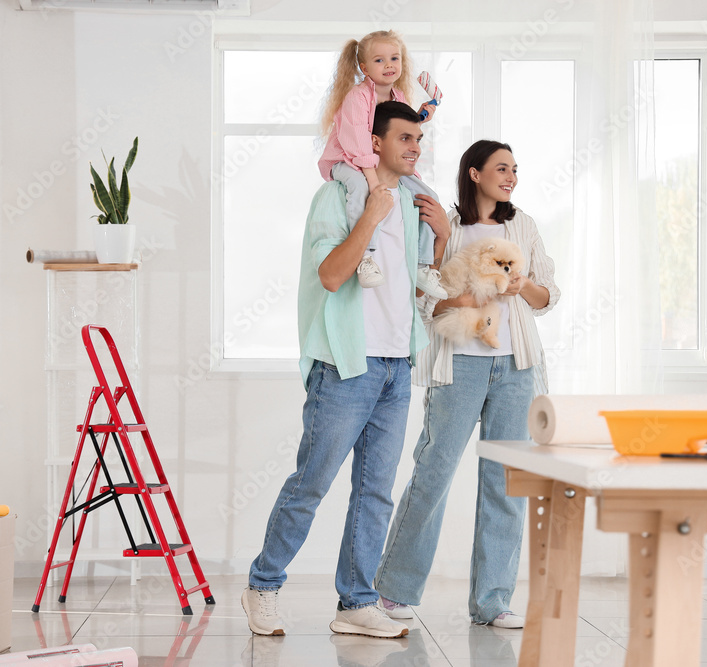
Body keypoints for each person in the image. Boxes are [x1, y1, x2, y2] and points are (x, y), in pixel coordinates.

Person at [240, 101, 449, 639]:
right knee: (312, 482)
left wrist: (444, 236)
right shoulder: (335, 198)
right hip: (344, 366)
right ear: (373, 141)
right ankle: (263, 584)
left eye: (419, 141)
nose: (414, 149)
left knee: (375, 491)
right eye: (404, 138)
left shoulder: (409, 201)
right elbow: (332, 275)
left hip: (395, 366)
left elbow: (422, 283)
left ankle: (356, 602)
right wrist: (370, 218)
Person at [373, 139, 560, 628]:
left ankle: (493, 601)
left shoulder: (523, 226)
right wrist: (461, 299)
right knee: (433, 474)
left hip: (516, 367)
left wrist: (523, 288)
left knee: (505, 484)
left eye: (515, 169)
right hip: (459, 366)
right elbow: (423, 301)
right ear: (474, 173)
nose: (511, 176)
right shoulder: (447, 226)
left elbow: (547, 295)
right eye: (502, 168)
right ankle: (392, 591)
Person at [318, 29, 448, 300]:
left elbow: (395, 131)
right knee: (362, 190)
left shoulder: (398, 97)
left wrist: (420, 116)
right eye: (379, 60)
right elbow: (357, 142)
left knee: (426, 196)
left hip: (375, 161)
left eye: (394, 58)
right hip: (346, 160)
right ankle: (366, 258)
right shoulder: (357, 97)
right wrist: (374, 181)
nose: (389, 65)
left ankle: (424, 264)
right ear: (364, 67)